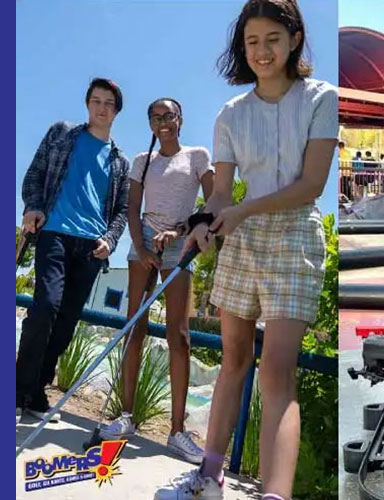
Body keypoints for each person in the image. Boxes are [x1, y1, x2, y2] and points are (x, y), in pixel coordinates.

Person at [154, 1, 336, 498]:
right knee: (233, 360)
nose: (262, 51)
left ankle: (275, 494)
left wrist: (239, 212)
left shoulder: (321, 97)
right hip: (241, 239)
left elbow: (311, 186)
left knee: (276, 372)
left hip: (295, 235)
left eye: (272, 39)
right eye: (252, 41)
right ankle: (207, 479)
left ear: (294, 39)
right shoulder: (230, 114)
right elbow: (220, 194)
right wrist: (205, 224)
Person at [97, 98, 214, 464]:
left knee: (179, 334)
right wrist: (141, 246)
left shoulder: (197, 156)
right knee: (134, 326)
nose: (163, 122)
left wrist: (179, 230)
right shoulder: (141, 161)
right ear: (149, 124)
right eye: (155, 117)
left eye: (169, 116)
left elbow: (212, 204)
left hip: (180, 241)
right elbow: (131, 208)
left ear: (180, 118)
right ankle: (126, 416)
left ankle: (177, 432)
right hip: (143, 239)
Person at [17, 78, 131, 424]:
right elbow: (34, 174)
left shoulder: (120, 162)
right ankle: (15, 391)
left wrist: (110, 240)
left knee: (66, 323)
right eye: (96, 101)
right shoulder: (62, 134)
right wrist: (32, 207)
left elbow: (123, 210)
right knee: (45, 307)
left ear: (116, 111)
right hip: (54, 233)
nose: (101, 107)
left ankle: (36, 393)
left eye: (108, 103)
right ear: (87, 105)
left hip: (91, 249)